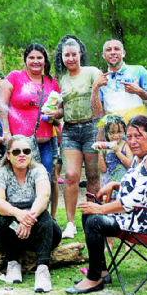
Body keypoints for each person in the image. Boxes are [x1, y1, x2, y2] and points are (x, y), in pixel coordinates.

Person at [67, 115, 147, 295]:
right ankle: (101, 271)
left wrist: (102, 208)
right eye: (130, 136)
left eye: (138, 136)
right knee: (89, 213)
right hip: (139, 215)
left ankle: (94, 279)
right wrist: (114, 184)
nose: (133, 141)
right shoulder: (139, 158)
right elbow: (139, 185)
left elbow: (135, 200)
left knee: (95, 219)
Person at [0, 135, 62, 293]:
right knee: (3, 219)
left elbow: (43, 197)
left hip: (36, 227)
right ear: (8, 155)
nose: (22, 154)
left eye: (26, 151)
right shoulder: (1, 173)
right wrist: (18, 215)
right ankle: (13, 263)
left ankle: (43, 269)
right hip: (12, 230)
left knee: (44, 216)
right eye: (16, 151)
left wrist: (28, 219)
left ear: (31, 153)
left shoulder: (39, 170)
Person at [0, 43, 62, 217]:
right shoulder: (14, 77)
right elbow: (2, 106)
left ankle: (43, 218)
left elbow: (60, 112)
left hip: (45, 142)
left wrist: (54, 113)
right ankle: (15, 217)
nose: (35, 61)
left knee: (46, 180)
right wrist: (6, 132)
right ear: (25, 60)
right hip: (20, 144)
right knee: (17, 181)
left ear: (45, 60)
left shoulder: (52, 82)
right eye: (31, 57)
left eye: (39, 58)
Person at [53, 35, 102, 239]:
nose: (70, 58)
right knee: (71, 176)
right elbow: (61, 111)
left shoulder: (92, 72)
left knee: (92, 176)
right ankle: (71, 224)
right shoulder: (61, 79)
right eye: (67, 55)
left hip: (91, 127)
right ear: (62, 57)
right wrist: (53, 114)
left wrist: (101, 129)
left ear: (80, 54)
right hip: (70, 131)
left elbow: (101, 106)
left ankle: (93, 218)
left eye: (74, 54)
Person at [90, 38, 147, 126]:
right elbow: (97, 114)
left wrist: (139, 92)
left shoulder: (139, 71)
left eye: (116, 49)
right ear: (103, 55)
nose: (113, 52)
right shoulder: (101, 80)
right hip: (114, 134)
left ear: (123, 53)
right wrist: (95, 87)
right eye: (108, 50)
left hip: (138, 131)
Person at [97, 114, 133, 187]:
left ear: (124, 132)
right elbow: (103, 169)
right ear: (107, 133)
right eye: (112, 132)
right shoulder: (106, 148)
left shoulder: (126, 146)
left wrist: (117, 152)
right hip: (108, 182)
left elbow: (130, 165)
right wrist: (100, 153)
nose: (116, 135)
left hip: (123, 183)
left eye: (119, 132)